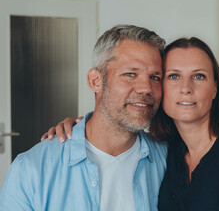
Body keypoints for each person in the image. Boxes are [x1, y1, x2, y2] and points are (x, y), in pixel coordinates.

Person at [45, 37, 219, 210]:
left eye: (199, 76)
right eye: (173, 76)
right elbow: (111, 126)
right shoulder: (165, 150)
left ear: (215, 88)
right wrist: (78, 127)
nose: (186, 88)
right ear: (160, 87)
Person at [0, 25, 168, 211]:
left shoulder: (170, 160)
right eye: (130, 74)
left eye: (155, 77)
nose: (146, 88)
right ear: (95, 81)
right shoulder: (31, 170)